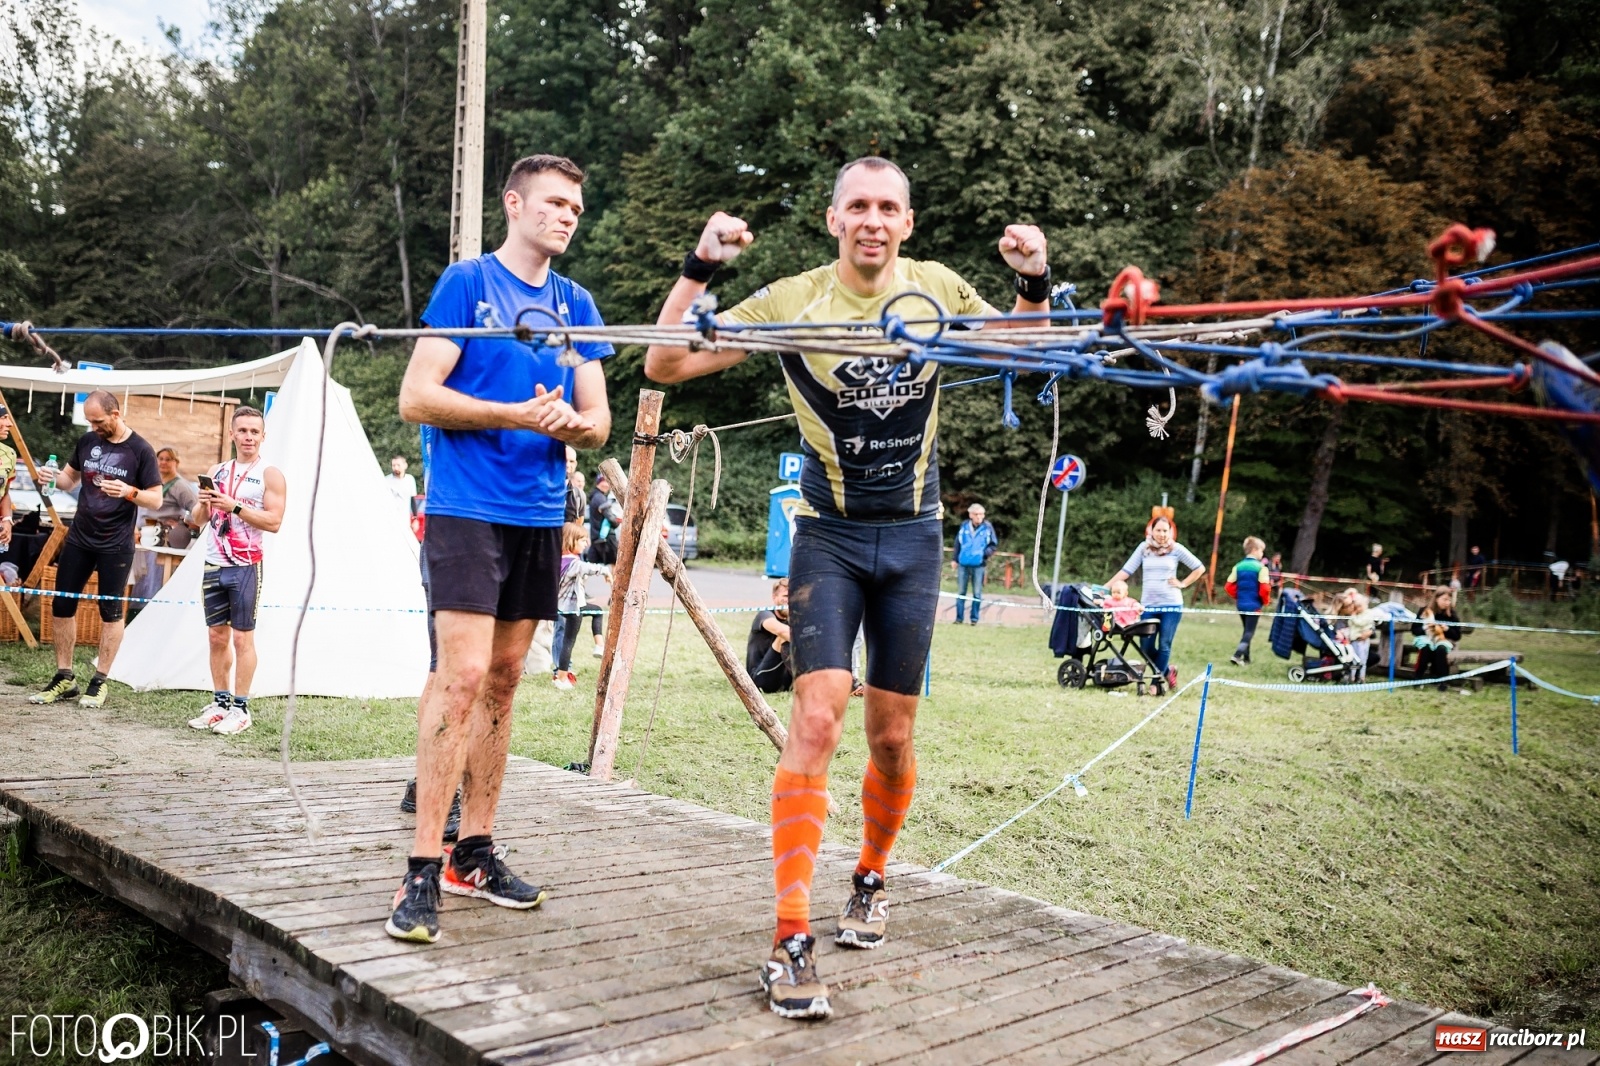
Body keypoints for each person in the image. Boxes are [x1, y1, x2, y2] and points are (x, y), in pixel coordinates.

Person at [644, 154, 1051, 1019]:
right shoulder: (792, 302)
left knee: (892, 736)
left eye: (888, 207)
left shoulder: (937, 288)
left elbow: (1036, 349)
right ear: (834, 220)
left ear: (907, 223)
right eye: (856, 206)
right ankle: (790, 938)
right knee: (819, 712)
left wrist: (1033, 281)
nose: (872, 219)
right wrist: (701, 267)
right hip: (825, 538)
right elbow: (664, 366)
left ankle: (870, 876)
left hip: (912, 541)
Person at [385, 153, 613, 945]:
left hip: (540, 514)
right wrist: (516, 414)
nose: (566, 217)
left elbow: (598, 416)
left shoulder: (576, 303)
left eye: (575, 209)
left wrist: (571, 426)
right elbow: (417, 395)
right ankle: (421, 867)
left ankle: (473, 852)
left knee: (508, 679)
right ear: (513, 204)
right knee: (463, 676)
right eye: (554, 203)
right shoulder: (468, 285)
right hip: (466, 506)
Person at [29, 392, 163, 708]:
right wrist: (49, 476)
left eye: (98, 421)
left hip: (116, 543)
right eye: (90, 421)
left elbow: (156, 499)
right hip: (80, 537)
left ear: (115, 414)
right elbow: (68, 481)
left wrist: (130, 492)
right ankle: (64, 677)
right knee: (62, 605)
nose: (93, 426)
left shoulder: (140, 450)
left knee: (111, 612)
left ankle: (100, 680)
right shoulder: (88, 441)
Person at [183, 407, 288, 735]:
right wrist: (203, 502)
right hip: (214, 562)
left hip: (245, 566)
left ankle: (241, 708)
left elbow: (275, 522)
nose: (248, 437)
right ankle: (220, 702)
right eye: (242, 431)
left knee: (243, 639)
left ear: (263, 436)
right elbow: (197, 520)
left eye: (254, 432)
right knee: (216, 637)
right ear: (232, 434)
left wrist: (236, 507)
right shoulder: (217, 470)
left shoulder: (270, 474)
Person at [1108, 515, 1204, 689]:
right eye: (1158, 530)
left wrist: (1183, 583)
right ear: (1151, 531)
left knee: (1165, 644)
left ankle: (1156, 683)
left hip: (1171, 606)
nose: (1162, 534)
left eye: (1165, 531)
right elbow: (1126, 570)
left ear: (1171, 532)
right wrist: (1105, 587)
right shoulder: (1144, 549)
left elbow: (1199, 568)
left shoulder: (1176, 549)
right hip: (1148, 606)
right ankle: (1167, 671)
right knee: (1146, 646)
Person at [551, 522, 608, 690]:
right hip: (572, 607)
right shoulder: (573, 563)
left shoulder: (560, 559)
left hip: (565, 605)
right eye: (582, 540)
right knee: (568, 642)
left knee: (597, 611)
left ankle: (599, 646)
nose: (586, 544)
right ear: (571, 541)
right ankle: (561, 678)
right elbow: (588, 568)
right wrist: (606, 571)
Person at [1224, 536, 1270, 666]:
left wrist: (1238, 596)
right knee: (1250, 632)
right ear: (1255, 550)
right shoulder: (1261, 568)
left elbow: (1228, 586)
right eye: (1261, 550)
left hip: (1241, 604)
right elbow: (1265, 588)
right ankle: (1237, 655)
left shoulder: (1238, 566)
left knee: (1246, 630)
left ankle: (1247, 658)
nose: (1262, 554)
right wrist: (1265, 601)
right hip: (1254, 605)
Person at [747, 579, 795, 694]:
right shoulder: (764, 615)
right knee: (785, 635)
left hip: (786, 682)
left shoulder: (796, 618)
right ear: (774, 597)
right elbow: (780, 630)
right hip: (760, 678)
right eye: (786, 596)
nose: (789, 600)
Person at [953, 503, 997, 625]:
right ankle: (959, 618)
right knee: (961, 592)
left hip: (979, 565)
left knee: (977, 593)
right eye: (976, 514)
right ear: (971, 515)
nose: (979, 517)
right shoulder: (964, 526)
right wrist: (955, 559)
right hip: (963, 564)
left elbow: (993, 545)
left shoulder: (987, 527)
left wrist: (983, 554)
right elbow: (958, 543)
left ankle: (974, 619)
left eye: (981, 514)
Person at [1411, 586, 1462, 681]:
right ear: (1436, 599)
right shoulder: (1425, 611)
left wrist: (1447, 629)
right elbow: (1414, 630)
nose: (1447, 603)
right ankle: (1418, 677)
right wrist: (1425, 627)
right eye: (1444, 599)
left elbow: (1457, 636)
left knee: (1441, 649)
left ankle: (1442, 680)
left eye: (1449, 600)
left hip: (1442, 640)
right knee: (1426, 648)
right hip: (1426, 639)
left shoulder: (1452, 615)